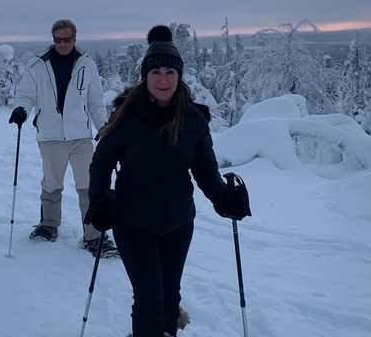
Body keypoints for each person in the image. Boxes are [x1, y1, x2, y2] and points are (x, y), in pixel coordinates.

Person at [86, 25, 251, 337]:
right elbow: (101, 163)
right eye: (156, 71)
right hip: (132, 220)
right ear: (146, 76)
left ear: (179, 75)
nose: (163, 79)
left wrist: (222, 196)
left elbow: (205, 171)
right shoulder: (127, 116)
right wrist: (100, 199)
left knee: (170, 295)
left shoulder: (193, 119)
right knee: (149, 296)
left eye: (170, 71)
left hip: (178, 223)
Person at [9, 19, 116, 256]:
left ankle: (94, 236)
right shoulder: (38, 65)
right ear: (53, 40)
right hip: (50, 136)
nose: (63, 44)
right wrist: (21, 110)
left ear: (74, 39)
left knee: (89, 185)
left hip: (81, 137)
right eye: (58, 40)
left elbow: (95, 102)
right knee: (52, 183)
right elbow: (26, 94)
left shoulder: (87, 64)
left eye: (67, 39)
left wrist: (103, 127)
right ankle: (48, 226)